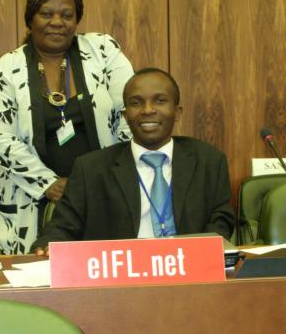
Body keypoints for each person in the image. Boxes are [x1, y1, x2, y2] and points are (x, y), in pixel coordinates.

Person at [0, 0, 134, 254]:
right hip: (31, 202)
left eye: (66, 15)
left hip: (104, 194)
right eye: (46, 14)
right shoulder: (6, 67)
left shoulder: (103, 50)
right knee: (35, 284)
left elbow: (132, 109)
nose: (57, 22)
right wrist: (47, 183)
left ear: (76, 20)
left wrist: (109, 177)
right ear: (31, 19)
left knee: (105, 279)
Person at [32, 68, 235, 255]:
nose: (147, 110)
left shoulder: (208, 161)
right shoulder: (91, 169)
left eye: (160, 100)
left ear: (177, 113)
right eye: (136, 103)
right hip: (119, 278)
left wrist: (201, 256)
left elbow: (221, 221)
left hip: (189, 269)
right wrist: (48, 244)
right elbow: (63, 226)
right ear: (125, 115)